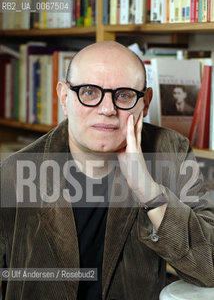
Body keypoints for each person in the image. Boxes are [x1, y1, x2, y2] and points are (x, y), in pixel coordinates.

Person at [0, 41, 214, 300]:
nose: (107, 109)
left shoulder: (170, 151)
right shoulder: (13, 174)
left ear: (145, 103)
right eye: (89, 92)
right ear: (65, 97)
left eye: (123, 95)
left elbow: (209, 268)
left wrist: (148, 190)